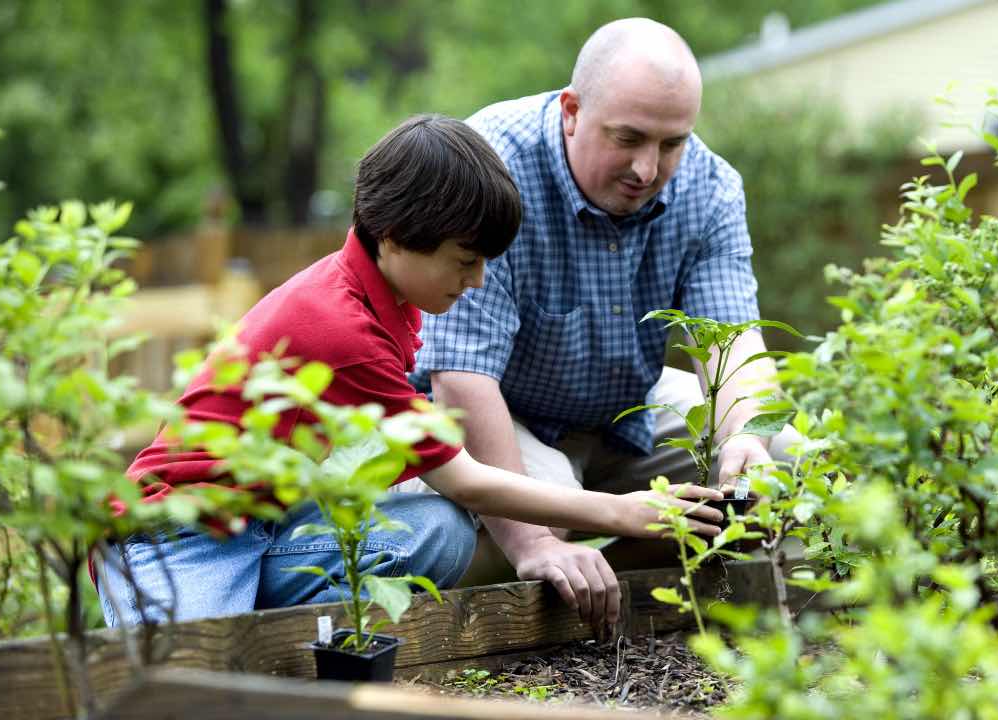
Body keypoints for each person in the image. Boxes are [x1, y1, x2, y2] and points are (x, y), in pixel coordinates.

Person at [97, 114, 723, 629]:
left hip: (265, 525)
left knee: (437, 534)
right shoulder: (339, 324)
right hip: (180, 534)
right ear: (395, 237)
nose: (477, 280)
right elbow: (467, 479)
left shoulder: (388, 302)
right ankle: (188, 608)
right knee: (186, 682)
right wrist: (620, 512)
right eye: (465, 260)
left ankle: (269, 624)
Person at [411, 19, 794, 630]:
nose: (648, 167)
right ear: (571, 111)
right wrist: (534, 542)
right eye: (629, 138)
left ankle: (614, 581)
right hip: (503, 407)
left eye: (672, 144)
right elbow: (460, 381)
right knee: (542, 512)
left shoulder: (711, 187)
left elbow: (731, 342)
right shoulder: (490, 167)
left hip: (626, 409)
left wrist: (745, 438)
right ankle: (527, 584)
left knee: (787, 463)